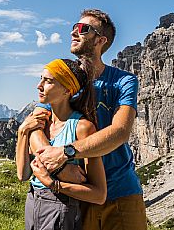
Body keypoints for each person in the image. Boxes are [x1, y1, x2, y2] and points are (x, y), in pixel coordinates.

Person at [29, 9, 147, 230]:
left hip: (121, 193)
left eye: (83, 29)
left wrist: (66, 153)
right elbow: (36, 126)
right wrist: (58, 168)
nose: (75, 32)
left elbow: (120, 131)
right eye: (74, 27)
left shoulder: (123, 81)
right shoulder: (63, 81)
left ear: (101, 40)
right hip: (78, 195)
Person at [16, 58, 107, 230]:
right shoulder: (39, 122)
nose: (39, 85)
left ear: (67, 89)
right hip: (33, 200)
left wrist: (54, 184)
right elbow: (23, 174)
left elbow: (99, 194)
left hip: (61, 205)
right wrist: (22, 132)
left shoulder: (82, 128)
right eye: (40, 78)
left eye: (48, 81)